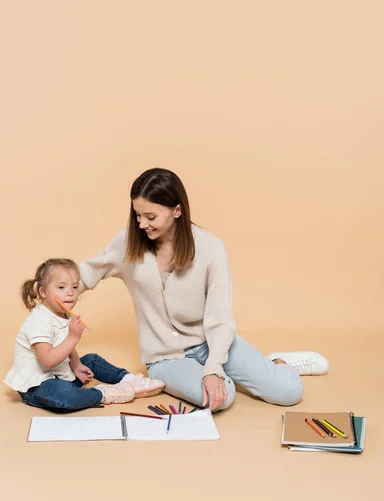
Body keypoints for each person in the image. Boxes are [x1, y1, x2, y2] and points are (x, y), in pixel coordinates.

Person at [79, 168, 329, 412]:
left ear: (177, 210)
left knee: (289, 392)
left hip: (211, 342)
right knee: (222, 396)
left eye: (151, 217)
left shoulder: (210, 248)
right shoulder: (128, 242)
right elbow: (88, 272)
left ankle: (278, 364)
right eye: (137, 215)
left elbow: (220, 320)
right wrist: (45, 293)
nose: (142, 223)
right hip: (165, 358)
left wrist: (213, 368)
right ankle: (257, 368)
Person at [4, 258, 164, 412]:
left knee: (91, 360)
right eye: (61, 288)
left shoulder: (63, 314)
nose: (70, 293)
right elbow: (48, 360)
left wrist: (76, 365)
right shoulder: (39, 320)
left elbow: (63, 344)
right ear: (43, 292)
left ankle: (128, 379)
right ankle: (103, 394)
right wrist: (73, 337)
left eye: (74, 287)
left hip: (60, 374)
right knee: (64, 395)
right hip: (36, 384)